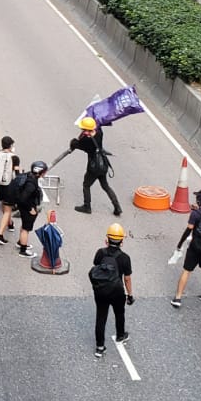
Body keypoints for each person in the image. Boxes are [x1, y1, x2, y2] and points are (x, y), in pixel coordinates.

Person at [91, 223, 134, 358]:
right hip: (117, 290)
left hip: (101, 290)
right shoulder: (125, 258)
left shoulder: (100, 253)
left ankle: (99, 347)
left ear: (107, 240)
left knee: (101, 317)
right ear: (122, 242)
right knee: (119, 313)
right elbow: (127, 279)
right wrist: (130, 295)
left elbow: (97, 267)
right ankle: (120, 335)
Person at [70, 116, 122, 216]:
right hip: (103, 164)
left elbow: (77, 144)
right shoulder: (99, 132)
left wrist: (74, 141)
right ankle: (117, 207)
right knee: (106, 186)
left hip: (94, 167)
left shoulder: (86, 141)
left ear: (86, 130)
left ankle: (87, 206)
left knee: (86, 185)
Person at [3, 160, 48, 257]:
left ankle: (20, 242)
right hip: (27, 207)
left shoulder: (28, 176)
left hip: (24, 206)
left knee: (24, 226)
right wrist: (30, 209)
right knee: (25, 229)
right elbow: (23, 199)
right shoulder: (31, 184)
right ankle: (23, 250)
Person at [0, 137, 20, 245]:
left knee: (4, 205)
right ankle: (0, 234)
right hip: (8, 185)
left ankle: (10, 223)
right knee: (8, 210)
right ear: (11, 145)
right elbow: (16, 174)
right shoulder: (15, 158)